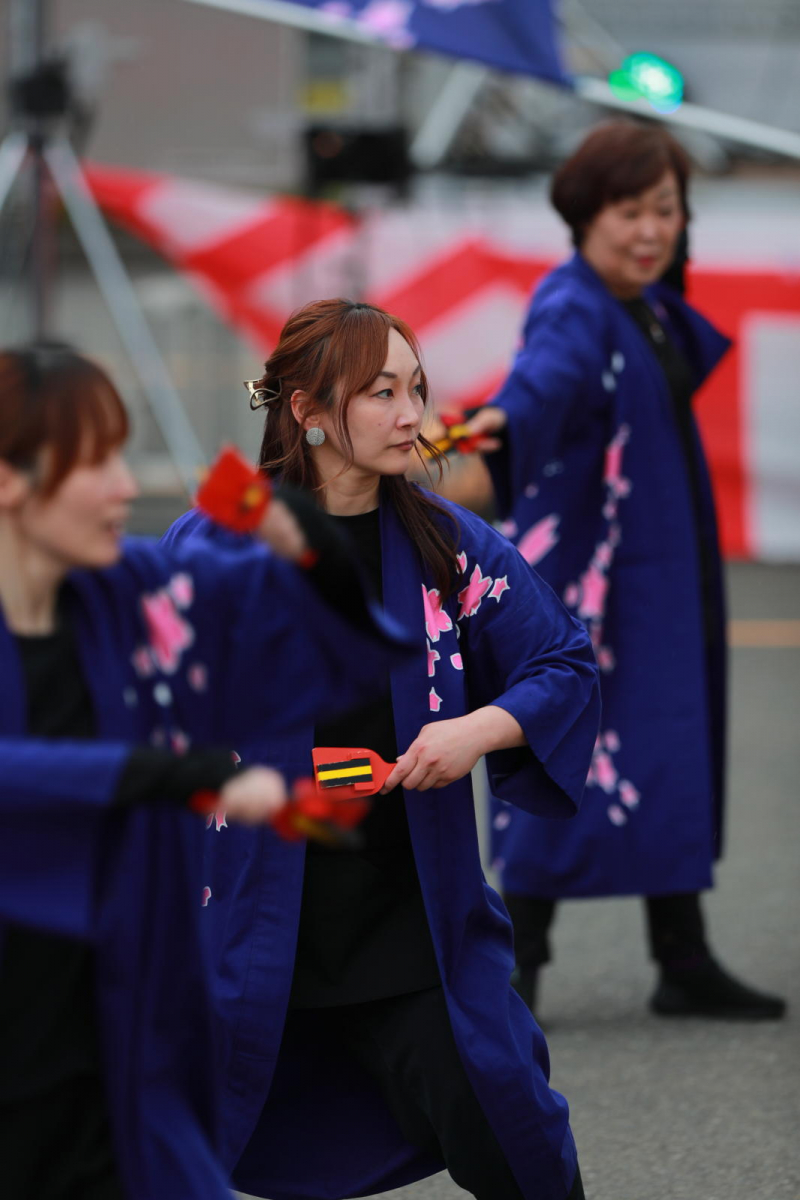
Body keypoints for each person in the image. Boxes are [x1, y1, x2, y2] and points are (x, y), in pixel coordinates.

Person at [163, 298, 601, 1200]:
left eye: (417, 390)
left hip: (413, 924)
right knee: (170, 1143)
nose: (413, 417)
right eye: (381, 394)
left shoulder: (448, 545)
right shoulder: (219, 541)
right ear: (309, 412)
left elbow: (562, 662)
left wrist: (476, 728)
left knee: (519, 1138)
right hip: (252, 923)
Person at [0, 342, 413, 1200]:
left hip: (113, 1031)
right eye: (94, 461)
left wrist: (293, 532)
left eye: (122, 455)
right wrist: (162, 774)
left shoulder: (127, 592)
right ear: (10, 480)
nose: (124, 485)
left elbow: (318, 640)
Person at [463, 120, 787, 1021]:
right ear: (583, 214)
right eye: (628, 211)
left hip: (653, 569)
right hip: (596, 580)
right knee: (568, 746)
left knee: (666, 744)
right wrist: (496, 422)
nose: (650, 231)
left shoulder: (639, 302)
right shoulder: (574, 307)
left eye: (665, 211)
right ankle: (517, 960)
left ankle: (680, 955)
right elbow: (540, 386)